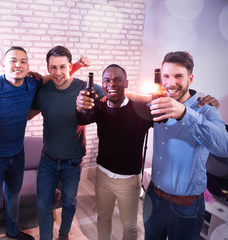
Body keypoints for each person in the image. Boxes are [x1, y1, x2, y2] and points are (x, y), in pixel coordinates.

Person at [0, 46, 88, 240]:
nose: (18, 65)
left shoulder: (32, 83)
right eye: (13, 60)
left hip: (17, 154)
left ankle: (13, 232)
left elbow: (57, 76)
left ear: (28, 66)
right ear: (3, 65)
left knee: (14, 198)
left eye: (23, 61)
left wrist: (78, 65)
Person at [143, 51, 228, 239]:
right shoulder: (157, 102)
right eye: (166, 76)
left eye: (178, 76)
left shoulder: (205, 109)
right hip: (153, 195)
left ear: (190, 78)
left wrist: (184, 113)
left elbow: (224, 147)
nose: (170, 83)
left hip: (185, 205)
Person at [29, 45, 104, 240]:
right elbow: (28, 115)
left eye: (62, 67)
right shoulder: (43, 93)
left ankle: (63, 234)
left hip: (73, 161)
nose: (58, 72)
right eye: (53, 68)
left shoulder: (86, 88)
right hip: (48, 160)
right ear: (48, 68)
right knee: (42, 204)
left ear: (70, 66)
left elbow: (115, 102)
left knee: (69, 202)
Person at [76, 64, 152, 240]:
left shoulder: (140, 110)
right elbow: (83, 118)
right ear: (102, 84)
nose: (112, 84)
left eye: (118, 80)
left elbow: (164, 113)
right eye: (107, 80)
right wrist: (79, 106)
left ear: (126, 83)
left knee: (130, 227)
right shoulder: (100, 107)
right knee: (103, 218)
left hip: (129, 181)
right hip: (102, 176)